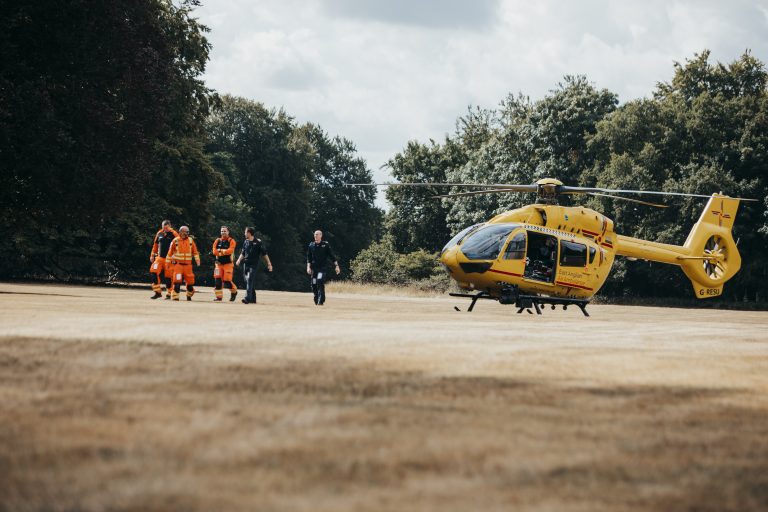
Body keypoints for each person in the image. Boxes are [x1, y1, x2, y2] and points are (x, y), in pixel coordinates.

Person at [235, 227, 272, 304]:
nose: (244, 234)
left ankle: (247, 298)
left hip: (254, 265)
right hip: (246, 264)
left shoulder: (258, 242)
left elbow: (264, 254)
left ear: (249, 233)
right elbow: (243, 252)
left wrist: (269, 264)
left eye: (245, 232)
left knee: (249, 280)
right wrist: (239, 260)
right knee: (247, 281)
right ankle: (253, 299)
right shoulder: (246, 241)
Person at [166, 225, 201, 301]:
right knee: (177, 283)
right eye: (186, 232)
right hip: (178, 266)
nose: (187, 233)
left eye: (188, 232)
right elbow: (169, 253)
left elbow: (195, 252)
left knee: (190, 284)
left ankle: (189, 294)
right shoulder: (175, 241)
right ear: (181, 232)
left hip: (188, 266)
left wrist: (197, 261)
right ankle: (175, 297)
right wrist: (167, 264)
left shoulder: (191, 241)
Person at [306, 230, 340, 306]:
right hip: (314, 269)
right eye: (315, 234)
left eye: (317, 234)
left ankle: (321, 301)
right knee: (313, 283)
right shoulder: (311, 245)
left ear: (321, 235)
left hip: (321, 269)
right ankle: (316, 298)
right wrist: (308, 267)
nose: (315, 236)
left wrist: (337, 266)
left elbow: (332, 256)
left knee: (319, 281)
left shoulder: (325, 245)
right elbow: (309, 258)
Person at [149, 220, 179, 299]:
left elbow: (179, 247)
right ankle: (157, 292)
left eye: (166, 228)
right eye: (163, 227)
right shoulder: (159, 233)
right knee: (153, 272)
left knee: (168, 278)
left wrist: (175, 256)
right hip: (159, 258)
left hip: (169, 259)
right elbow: (155, 245)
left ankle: (169, 293)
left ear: (170, 226)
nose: (164, 229)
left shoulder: (174, 234)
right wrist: (152, 255)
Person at [212, 226, 238, 302]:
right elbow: (214, 251)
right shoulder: (217, 240)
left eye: (225, 231)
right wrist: (223, 252)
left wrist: (220, 251)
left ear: (228, 232)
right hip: (218, 264)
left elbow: (230, 251)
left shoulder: (231, 241)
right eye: (222, 231)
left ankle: (234, 292)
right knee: (217, 281)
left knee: (227, 281)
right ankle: (219, 297)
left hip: (228, 264)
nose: (223, 232)